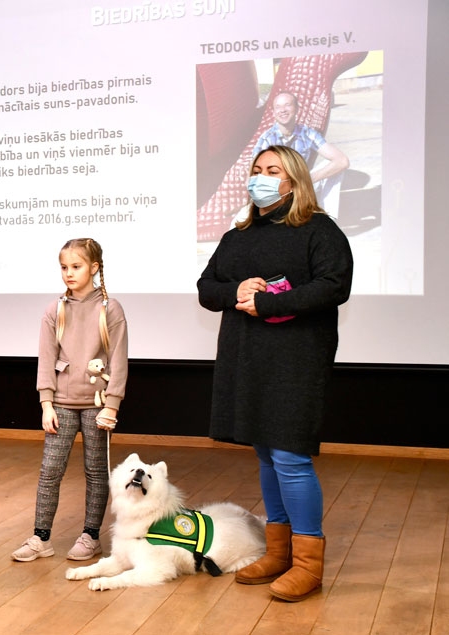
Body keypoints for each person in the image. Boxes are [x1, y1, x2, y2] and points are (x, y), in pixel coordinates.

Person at [197, 145, 353, 601]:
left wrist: (268, 303)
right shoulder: (237, 235)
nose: (260, 177)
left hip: (296, 361)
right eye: (256, 170)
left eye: (272, 171)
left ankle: (308, 563)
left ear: (294, 181)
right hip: (248, 359)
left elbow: (333, 286)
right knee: (266, 454)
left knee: (290, 457)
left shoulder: (319, 231)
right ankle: (278, 552)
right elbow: (207, 289)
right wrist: (236, 290)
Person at [12, 238, 128, 563]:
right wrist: (46, 403)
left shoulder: (110, 308)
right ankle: (40, 538)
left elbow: (119, 359)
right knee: (50, 470)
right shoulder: (55, 310)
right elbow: (45, 358)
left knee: (95, 471)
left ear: (94, 268)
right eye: (64, 267)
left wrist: (113, 405)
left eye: (76, 267)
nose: (68, 273)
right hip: (61, 404)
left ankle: (91, 536)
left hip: (97, 404)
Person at [252, 91, 349, 185]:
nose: (282, 110)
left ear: (297, 109)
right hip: (278, 190)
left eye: (287, 105)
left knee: (333, 167)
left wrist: (309, 179)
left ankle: (324, 202)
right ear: (273, 112)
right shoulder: (266, 139)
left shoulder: (307, 133)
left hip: (303, 183)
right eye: (278, 107)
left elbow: (342, 161)